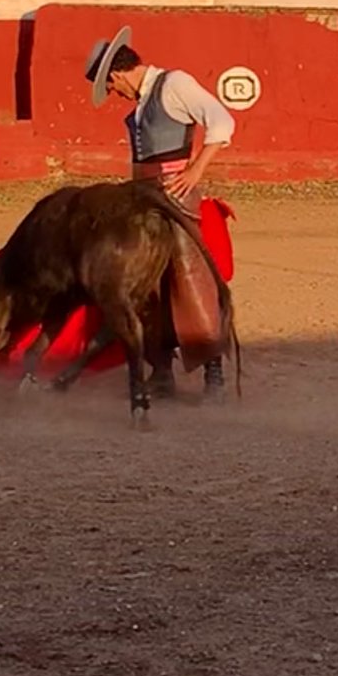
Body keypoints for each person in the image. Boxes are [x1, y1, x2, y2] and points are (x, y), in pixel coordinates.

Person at [84, 25, 236, 399]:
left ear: (117, 75)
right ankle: (162, 369)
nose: (114, 93)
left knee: (187, 275)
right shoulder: (145, 98)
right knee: (145, 283)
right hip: (142, 197)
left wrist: (196, 170)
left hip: (174, 192)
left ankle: (212, 371)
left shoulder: (175, 83)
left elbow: (222, 121)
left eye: (111, 86)